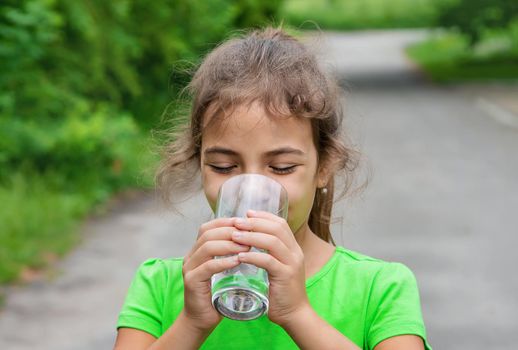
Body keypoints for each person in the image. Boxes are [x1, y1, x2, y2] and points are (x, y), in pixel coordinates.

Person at [113, 27, 432, 350]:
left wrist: (297, 313)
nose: (252, 192)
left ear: (323, 167)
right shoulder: (159, 285)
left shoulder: (381, 288)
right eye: (224, 167)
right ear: (200, 164)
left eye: (281, 168)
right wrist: (192, 323)